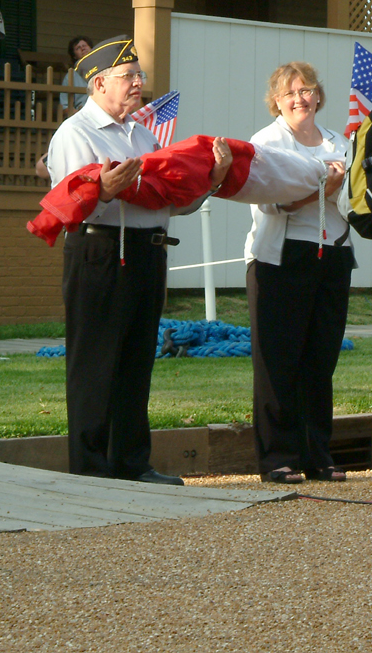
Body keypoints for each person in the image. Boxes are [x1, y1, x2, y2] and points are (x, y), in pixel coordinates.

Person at [44, 36, 232, 484]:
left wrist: (212, 180)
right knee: (94, 364)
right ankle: (90, 470)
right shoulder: (76, 133)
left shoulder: (144, 135)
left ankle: (131, 463)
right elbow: (67, 203)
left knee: (135, 362)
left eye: (139, 75)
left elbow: (172, 203)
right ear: (99, 83)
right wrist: (103, 190)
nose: (138, 84)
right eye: (129, 76)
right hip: (101, 251)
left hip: (148, 253)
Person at [244, 62, 353, 484]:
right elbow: (276, 201)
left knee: (320, 359)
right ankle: (277, 457)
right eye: (290, 93)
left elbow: (351, 201)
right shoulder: (266, 141)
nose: (299, 99)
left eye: (306, 90)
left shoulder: (338, 143)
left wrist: (335, 191)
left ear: (318, 96)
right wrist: (320, 190)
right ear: (276, 100)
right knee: (278, 359)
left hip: (332, 255)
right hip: (281, 258)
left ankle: (317, 454)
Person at [62, 36, 94, 110]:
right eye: (78, 48)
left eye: (84, 45)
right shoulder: (70, 76)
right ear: (74, 56)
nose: (82, 48)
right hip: (81, 113)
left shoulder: (102, 68)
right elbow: (64, 106)